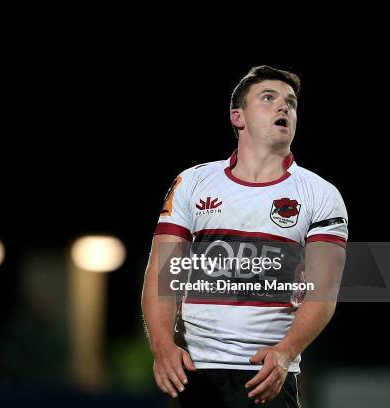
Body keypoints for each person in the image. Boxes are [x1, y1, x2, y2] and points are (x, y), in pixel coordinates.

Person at [141, 65, 348, 407]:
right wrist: (163, 347)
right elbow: (163, 273)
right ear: (238, 116)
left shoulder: (320, 194)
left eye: (291, 103)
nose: (284, 107)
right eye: (269, 98)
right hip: (194, 372)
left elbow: (323, 291)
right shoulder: (192, 182)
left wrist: (286, 351)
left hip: (266, 376)